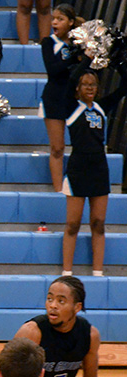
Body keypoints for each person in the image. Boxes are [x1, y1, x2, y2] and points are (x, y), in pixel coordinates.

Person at [60, 53, 127, 277]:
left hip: (99, 169)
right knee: (73, 224)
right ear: (78, 89)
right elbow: (70, 81)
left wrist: (117, 60)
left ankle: (97, 272)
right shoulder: (71, 106)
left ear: (98, 88)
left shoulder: (101, 107)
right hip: (78, 168)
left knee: (98, 223)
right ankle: (67, 272)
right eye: (85, 84)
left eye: (93, 84)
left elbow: (123, 87)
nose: (89, 87)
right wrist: (88, 57)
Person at [39, 4, 82, 192]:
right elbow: (53, 70)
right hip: (54, 98)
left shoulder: (78, 43)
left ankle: (77, 186)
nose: (54, 22)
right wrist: (75, 57)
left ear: (71, 22)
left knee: (81, 146)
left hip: (74, 99)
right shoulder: (49, 42)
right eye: (53, 18)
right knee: (57, 148)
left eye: (60, 19)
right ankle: (58, 190)